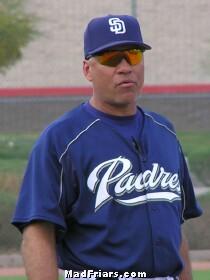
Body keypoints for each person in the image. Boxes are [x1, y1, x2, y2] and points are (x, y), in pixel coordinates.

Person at [12, 14, 202, 280]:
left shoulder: (165, 132)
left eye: (133, 55)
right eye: (111, 58)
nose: (125, 67)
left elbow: (174, 227)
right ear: (88, 70)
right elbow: (37, 234)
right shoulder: (61, 139)